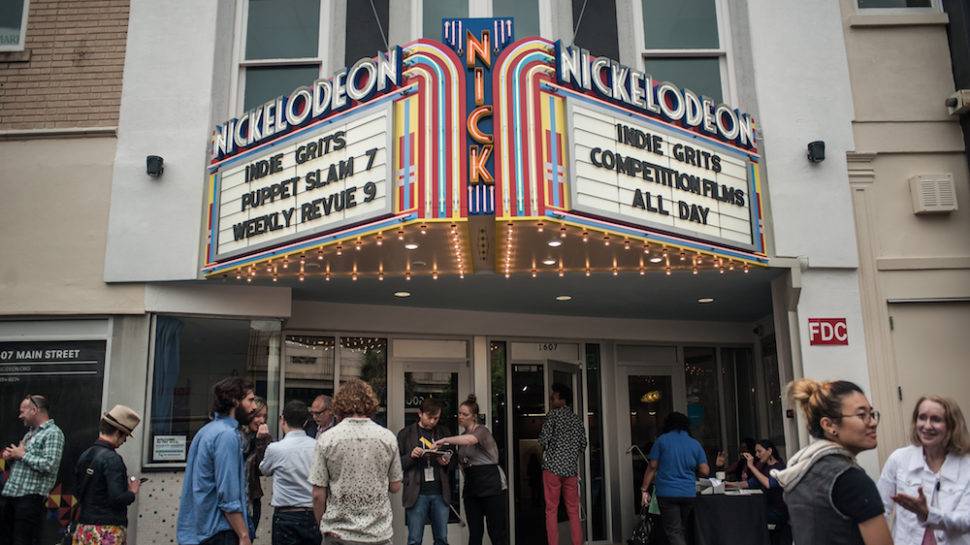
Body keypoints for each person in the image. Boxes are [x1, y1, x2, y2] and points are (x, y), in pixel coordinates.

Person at [771, 379, 891, 545]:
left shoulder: (799, 473)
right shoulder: (852, 481)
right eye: (861, 415)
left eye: (871, 414)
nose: (873, 422)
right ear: (829, 425)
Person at [309, 379, 402, 545]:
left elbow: (317, 495)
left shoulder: (327, 439)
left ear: (339, 405)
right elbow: (395, 487)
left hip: (338, 534)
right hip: (378, 534)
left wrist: (322, 525)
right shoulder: (387, 437)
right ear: (370, 404)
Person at [877, 395, 970, 545]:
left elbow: (966, 520)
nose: (927, 426)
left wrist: (928, 514)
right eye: (922, 418)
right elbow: (879, 509)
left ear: (951, 425)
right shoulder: (899, 459)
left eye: (936, 419)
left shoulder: (967, 466)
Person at [177, 377, 258, 545]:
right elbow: (227, 495)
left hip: (202, 530)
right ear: (235, 400)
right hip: (221, 531)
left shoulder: (206, 431)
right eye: (250, 400)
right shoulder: (227, 435)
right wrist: (243, 535)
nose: (254, 407)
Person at [434, 394, 508, 545]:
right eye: (459, 413)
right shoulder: (461, 437)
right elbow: (462, 463)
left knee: (496, 532)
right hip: (472, 486)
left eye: (465, 414)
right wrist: (445, 459)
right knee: (475, 533)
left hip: (491, 484)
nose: (460, 416)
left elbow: (471, 440)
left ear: (473, 416)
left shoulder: (482, 431)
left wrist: (445, 440)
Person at [0, 394, 66, 545]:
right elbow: (25, 462)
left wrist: (22, 455)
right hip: (13, 497)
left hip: (30, 500)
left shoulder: (53, 433)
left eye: (23, 411)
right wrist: (12, 456)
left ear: (34, 410)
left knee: (23, 540)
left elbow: (49, 465)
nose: (20, 415)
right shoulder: (31, 433)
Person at [71, 405, 142, 545]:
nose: (125, 441)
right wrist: (132, 491)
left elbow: (77, 492)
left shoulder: (86, 455)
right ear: (117, 432)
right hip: (106, 531)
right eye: (125, 435)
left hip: (83, 529)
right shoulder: (112, 459)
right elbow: (117, 498)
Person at [640, 411, 709, 545]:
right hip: (688, 493)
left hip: (667, 493)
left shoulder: (662, 441)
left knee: (673, 531)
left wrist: (644, 489)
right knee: (679, 529)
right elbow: (705, 471)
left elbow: (653, 466)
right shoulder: (694, 444)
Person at [259, 400, 320, 545]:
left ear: (282, 420)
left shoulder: (275, 449)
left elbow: (264, 470)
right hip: (312, 514)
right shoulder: (318, 446)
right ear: (306, 422)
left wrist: (262, 442)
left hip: (286, 515)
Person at [397, 398, 455, 545]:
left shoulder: (444, 432)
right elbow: (397, 465)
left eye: (436, 418)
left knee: (442, 538)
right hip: (416, 494)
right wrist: (411, 456)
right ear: (420, 414)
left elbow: (454, 460)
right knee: (415, 539)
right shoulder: (406, 433)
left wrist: (446, 461)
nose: (432, 422)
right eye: (429, 417)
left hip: (440, 493)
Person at [538, 382, 587, 545]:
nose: (552, 398)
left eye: (555, 396)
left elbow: (543, 440)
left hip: (552, 469)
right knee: (573, 511)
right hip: (571, 471)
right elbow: (583, 445)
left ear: (562, 399)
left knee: (551, 510)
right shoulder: (577, 420)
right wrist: (569, 454)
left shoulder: (552, 415)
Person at [725, 439, 789, 544]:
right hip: (765, 508)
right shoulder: (764, 467)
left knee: (748, 517)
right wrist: (726, 485)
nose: (757, 455)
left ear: (769, 451)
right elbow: (748, 483)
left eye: (759, 451)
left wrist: (751, 466)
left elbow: (768, 484)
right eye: (756, 452)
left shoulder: (780, 467)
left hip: (778, 511)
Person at [243, 397, 271, 534]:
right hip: (237, 500)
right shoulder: (235, 435)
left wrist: (261, 442)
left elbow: (262, 469)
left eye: (264, 416)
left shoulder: (263, 438)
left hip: (253, 499)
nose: (262, 420)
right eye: (258, 416)